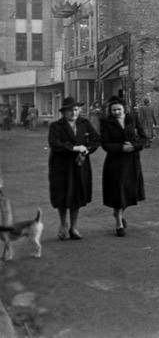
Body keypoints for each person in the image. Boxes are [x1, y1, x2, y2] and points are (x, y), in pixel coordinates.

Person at [47, 96, 101, 240]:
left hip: (79, 165)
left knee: (77, 194)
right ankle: (64, 224)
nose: (73, 113)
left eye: (76, 110)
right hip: (61, 166)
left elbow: (96, 140)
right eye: (70, 110)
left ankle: (74, 227)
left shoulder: (84, 123)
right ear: (64, 112)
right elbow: (55, 144)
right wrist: (75, 147)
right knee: (63, 194)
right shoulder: (56, 126)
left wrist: (87, 150)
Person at [100, 96, 146, 237]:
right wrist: (121, 148)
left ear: (124, 109)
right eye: (113, 110)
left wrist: (134, 146)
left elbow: (144, 137)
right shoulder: (106, 123)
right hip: (115, 162)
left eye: (119, 109)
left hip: (132, 160)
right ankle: (119, 223)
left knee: (128, 190)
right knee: (118, 190)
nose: (117, 112)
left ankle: (118, 213)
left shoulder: (132, 119)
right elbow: (105, 144)